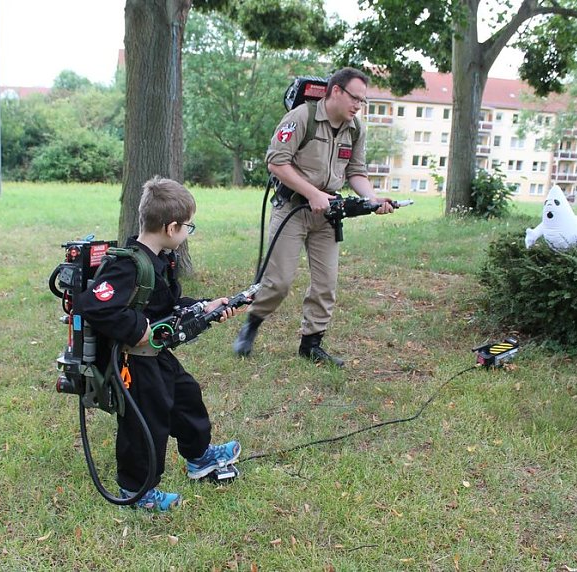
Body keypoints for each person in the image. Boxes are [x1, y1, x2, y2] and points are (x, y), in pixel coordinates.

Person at [75, 176, 240, 511]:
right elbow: (93, 306)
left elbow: (165, 305)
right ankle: (136, 491)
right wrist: (139, 329)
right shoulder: (129, 264)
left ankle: (199, 457)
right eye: (187, 227)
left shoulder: (162, 260)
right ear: (171, 227)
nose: (187, 233)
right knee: (145, 423)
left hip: (156, 355)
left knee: (186, 396)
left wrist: (204, 307)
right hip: (133, 361)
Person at [233, 67, 395, 367]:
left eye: (363, 100)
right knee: (278, 281)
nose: (359, 105)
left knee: (326, 284)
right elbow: (276, 163)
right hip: (292, 208)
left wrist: (372, 199)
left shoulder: (355, 129)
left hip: (328, 215)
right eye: (355, 98)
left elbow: (356, 172)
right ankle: (251, 325)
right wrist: (312, 193)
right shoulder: (302, 118)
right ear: (336, 91)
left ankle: (311, 344)